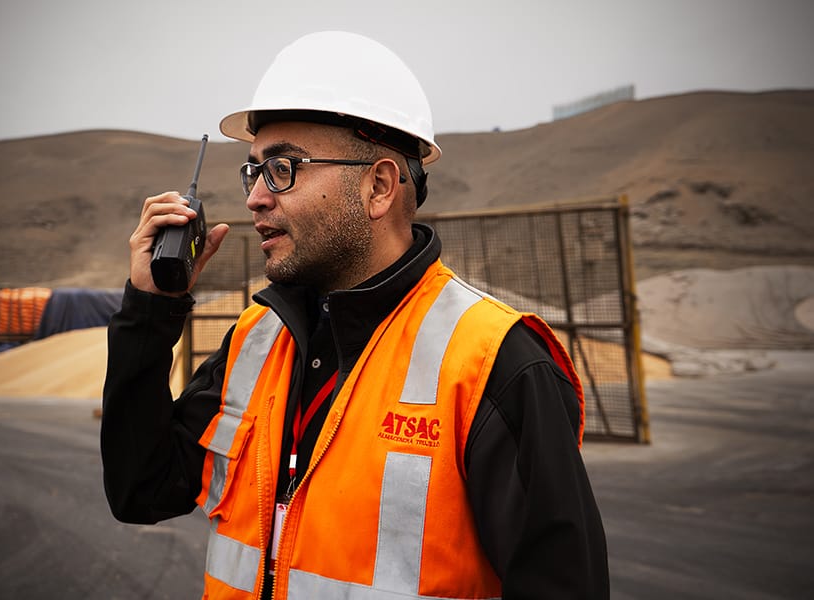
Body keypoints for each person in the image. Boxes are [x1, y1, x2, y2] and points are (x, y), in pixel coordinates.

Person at [101, 31, 609, 599]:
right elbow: (141, 491)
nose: (255, 198)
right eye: (253, 172)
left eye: (284, 168)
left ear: (379, 186)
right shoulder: (256, 340)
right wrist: (150, 311)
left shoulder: (495, 361)